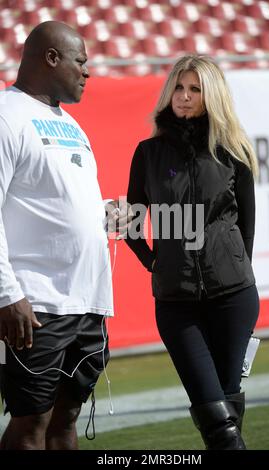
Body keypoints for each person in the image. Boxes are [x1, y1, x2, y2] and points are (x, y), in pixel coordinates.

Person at [0, 21, 131, 450]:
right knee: (30, 424)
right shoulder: (7, 115)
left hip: (88, 300)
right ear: (51, 58)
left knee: (66, 420)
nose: (87, 71)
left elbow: (62, 201)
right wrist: (7, 295)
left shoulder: (70, 123)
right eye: (81, 61)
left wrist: (107, 215)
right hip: (37, 303)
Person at [126, 55, 260, 450]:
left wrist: (235, 270)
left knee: (228, 409)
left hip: (234, 297)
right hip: (175, 302)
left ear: (211, 95)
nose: (184, 97)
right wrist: (155, 261)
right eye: (179, 88)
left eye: (195, 89)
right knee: (213, 411)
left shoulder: (233, 151)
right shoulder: (148, 154)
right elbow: (133, 224)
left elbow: (245, 227)